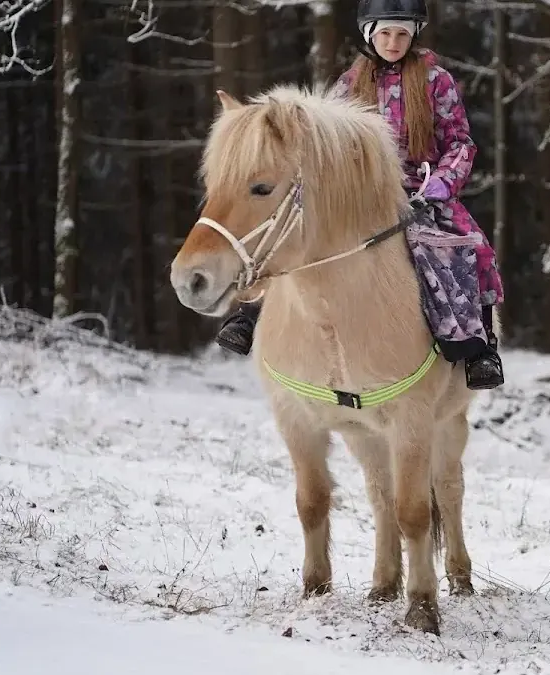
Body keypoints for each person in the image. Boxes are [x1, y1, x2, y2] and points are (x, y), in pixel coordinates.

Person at [214, 0, 506, 391]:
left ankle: (479, 349)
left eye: (402, 34)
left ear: (414, 35)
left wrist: (438, 187)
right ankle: (250, 314)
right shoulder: (350, 84)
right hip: (364, 195)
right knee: (296, 233)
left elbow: (460, 144)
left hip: (422, 192)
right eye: (385, 33)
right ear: (370, 34)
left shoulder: (437, 81)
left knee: (472, 247)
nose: (393, 41)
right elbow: (327, 144)